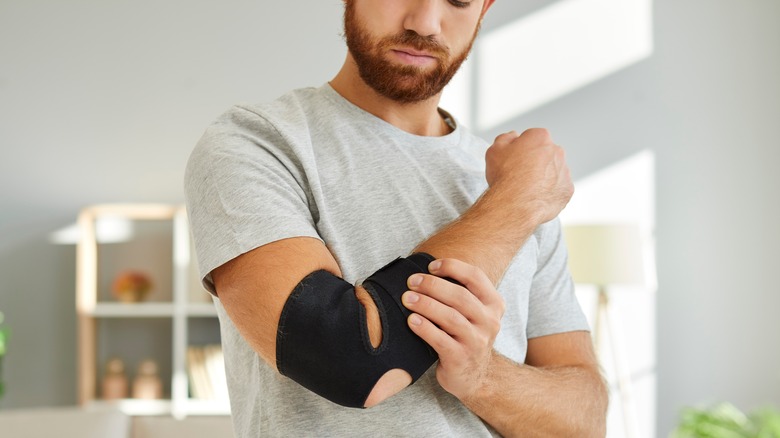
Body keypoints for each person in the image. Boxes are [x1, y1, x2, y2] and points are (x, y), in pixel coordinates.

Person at [184, 0, 608, 436]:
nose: (423, 22)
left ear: (484, 8)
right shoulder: (255, 143)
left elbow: (584, 422)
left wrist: (484, 378)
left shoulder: (516, 185)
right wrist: (514, 203)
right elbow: (350, 360)